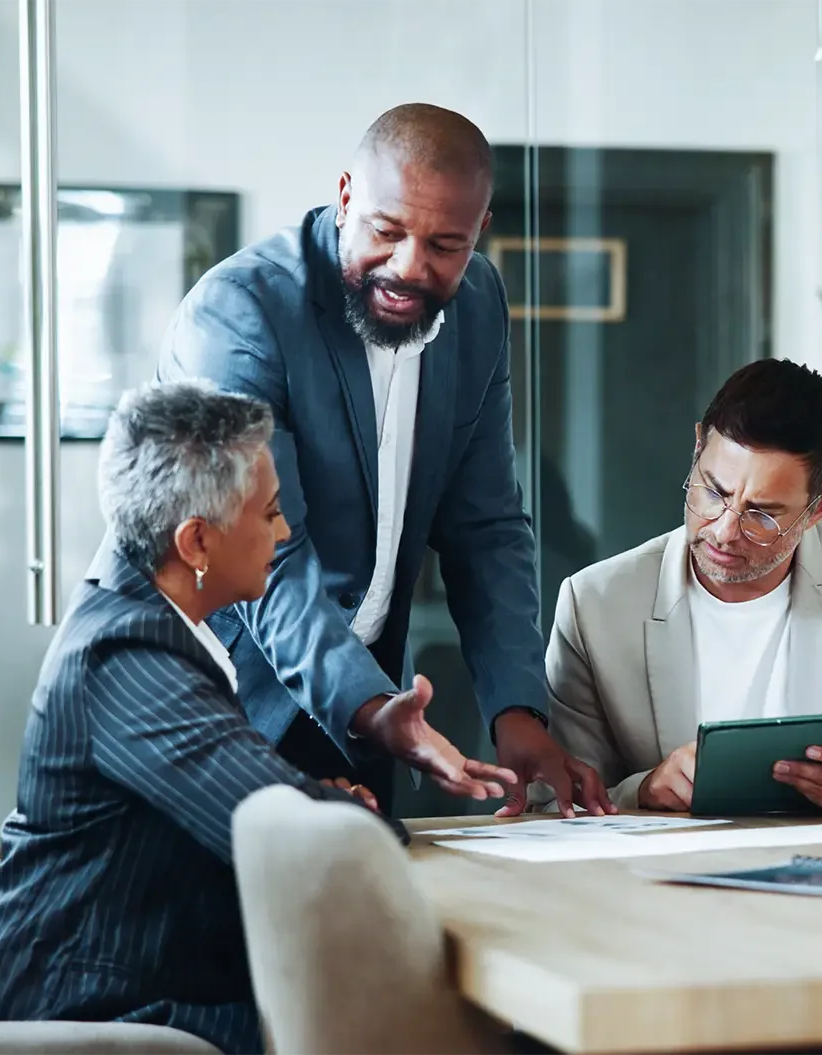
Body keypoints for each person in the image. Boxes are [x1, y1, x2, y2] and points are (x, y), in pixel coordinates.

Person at [0, 382, 507, 1055]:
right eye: (269, 512)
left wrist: (318, 802)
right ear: (197, 541)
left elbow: (279, 806)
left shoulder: (156, 626)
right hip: (79, 1007)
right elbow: (304, 843)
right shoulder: (128, 656)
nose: (286, 531)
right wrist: (335, 808)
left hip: (132, 988)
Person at [157, 103, 610, 817]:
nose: (408, 267)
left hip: (369, 709)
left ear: (478, 232)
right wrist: (371, 704)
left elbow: (486, 525)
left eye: (444, 244)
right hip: (223, 705)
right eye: (386, 230)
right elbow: (267, 551)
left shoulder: (480, 303)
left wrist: (517, 711)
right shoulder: (241, 313)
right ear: (345, 197)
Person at [545, 359, 822, 814]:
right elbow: (554, 803)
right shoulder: (595, 605)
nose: (724, 530)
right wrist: (642, 792)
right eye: (713, 492)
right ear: (698, 448)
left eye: (763, 514)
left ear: (819, 509)